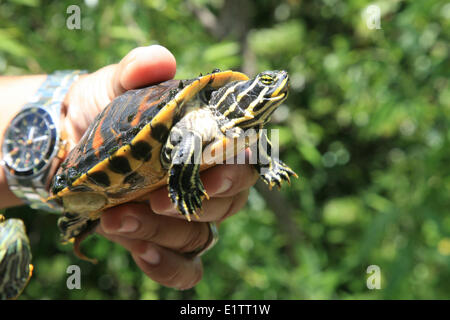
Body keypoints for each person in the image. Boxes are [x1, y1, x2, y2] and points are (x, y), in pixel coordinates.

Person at [0, 45, 258, 290]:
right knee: (83, 207)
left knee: (89, 208)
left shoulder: (241, 131)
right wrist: (185, 183)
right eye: (265, 83)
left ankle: (80, 213)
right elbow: (187, 137)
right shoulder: (199, 114)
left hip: (127, 192)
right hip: (115, 152)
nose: (279, 82)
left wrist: (265, 166)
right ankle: (78, 212)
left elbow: (258, 144)